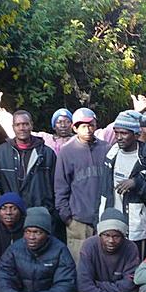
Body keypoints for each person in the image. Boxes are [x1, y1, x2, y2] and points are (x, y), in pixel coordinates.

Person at [71, 208, 142, 292]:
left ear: (123, 236)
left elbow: (129, 285)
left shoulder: (131, 248)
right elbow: (83, 285)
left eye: (116, 236)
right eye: (106, 235)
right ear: (99, 234)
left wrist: (96, 284)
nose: (111, 240)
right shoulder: (89, 245)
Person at [98, 110, 146, 258]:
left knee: (136, 266)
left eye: (124, 133)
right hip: (111, 224)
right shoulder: (111, 154)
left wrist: (136, 183)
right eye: (117, 133)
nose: (119, 137)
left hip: (136, 227)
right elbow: (102, 191)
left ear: (136, 134)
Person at [0, 108, 60, 237]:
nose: (22, 128)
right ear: (13, 127)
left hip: (40, 213)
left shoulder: (47, 153)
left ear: (31, 125)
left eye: (25, 124)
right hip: (12, 216)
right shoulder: (0, 152)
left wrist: (51, 210)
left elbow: (57, 185)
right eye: (18, 125)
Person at [54, 107, 111, 263]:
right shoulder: (66, 152)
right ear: (75, 128)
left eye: (90, 125)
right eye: (83, 126)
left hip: (104, 219)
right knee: (80, 267)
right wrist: (67, 218)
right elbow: (60, 188)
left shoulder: (107, 149)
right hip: (78, 221)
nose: (87, 129)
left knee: (104, 265)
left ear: (96, 125)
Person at [0, 92, 75, 154]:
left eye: (67, 122)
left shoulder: (78, 140)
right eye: (59, 122)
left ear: (72, 125)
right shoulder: (44, 139)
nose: (63, 125)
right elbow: (20, 133)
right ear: (54, 126)